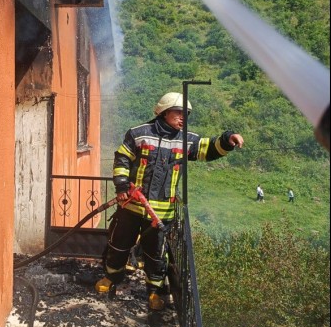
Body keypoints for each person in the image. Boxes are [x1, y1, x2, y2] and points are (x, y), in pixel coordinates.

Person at [96, 91, 245, 310]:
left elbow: (210, 149)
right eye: (179, 112)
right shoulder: (139, 133)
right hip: (131, 207)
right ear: (164, 112)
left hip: (161, 214)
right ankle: (111, 278)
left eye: (187, 114)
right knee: (118, 244)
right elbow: (122, 159)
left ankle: (154, 292)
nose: (183, 117)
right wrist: (121, 186)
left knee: (156, 254)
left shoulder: (187, 140)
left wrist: (228, 139)